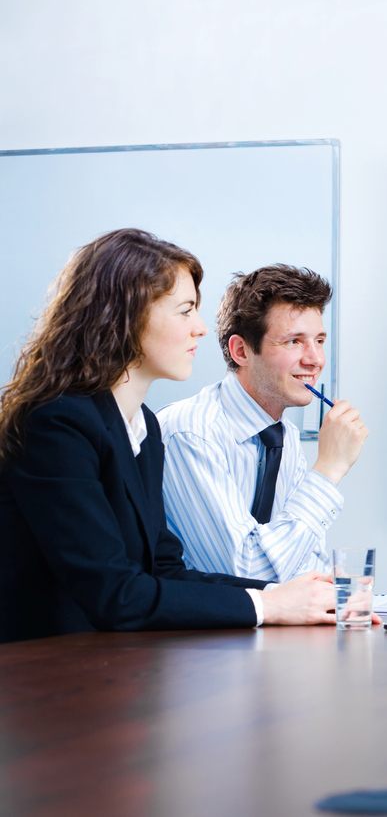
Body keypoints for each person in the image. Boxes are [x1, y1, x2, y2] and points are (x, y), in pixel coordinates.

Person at [0, 229, 341, 643]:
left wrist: (291, 598)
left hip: (112, 670)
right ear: (126, 317)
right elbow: (115, 594)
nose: (200, 329)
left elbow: (163, 571)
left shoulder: (142, 426)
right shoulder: (56, 422)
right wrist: (268, 605)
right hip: (45, 677)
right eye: (185, 311)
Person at [158, 265, 368, 582]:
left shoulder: (286, 438)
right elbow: (247, 572)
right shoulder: (191, 433)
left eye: (319, 340)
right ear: (241, 350)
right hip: (196, 630)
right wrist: (328, 470)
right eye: (294, 342)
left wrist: (329, 584)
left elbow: (301, 562)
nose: (315, 359)